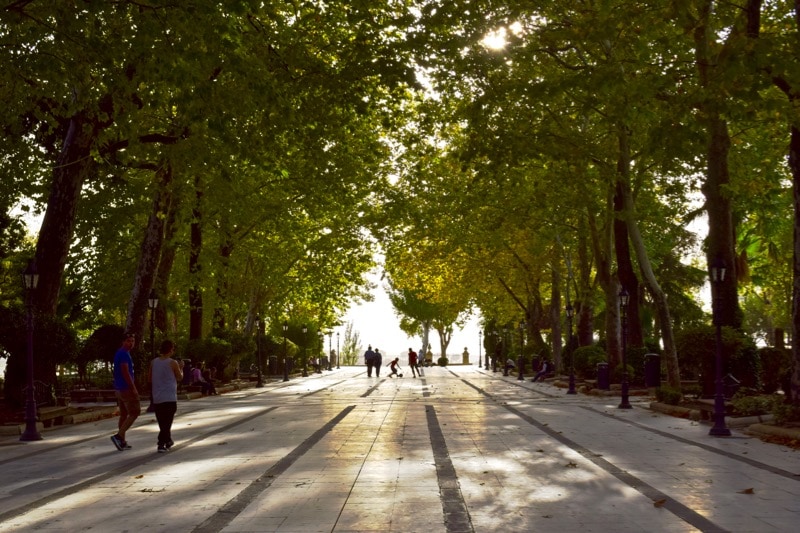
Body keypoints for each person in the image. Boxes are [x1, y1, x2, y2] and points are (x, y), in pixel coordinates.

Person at [149, 340, 184, 453]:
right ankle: (161, 443)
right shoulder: (172, 362)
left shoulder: (153, 362)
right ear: (170, 350)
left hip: (157, 396)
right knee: (167, 422)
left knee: (162, 421)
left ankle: (168, 440)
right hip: (169, 396)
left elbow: (149, 378)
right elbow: (179, 378)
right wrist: (181, 368)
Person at [111, 333, 140, 451]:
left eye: (133, 341)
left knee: (124, 414)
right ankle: (118, 436)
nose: (131, 343)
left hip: (119, 388)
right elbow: (125, 372)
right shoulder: (123, 355)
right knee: (135, 412)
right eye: (128, 341)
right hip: (126, 388)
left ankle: (122, 441)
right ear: (123, 342)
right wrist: (133, 388)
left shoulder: (120, 353)